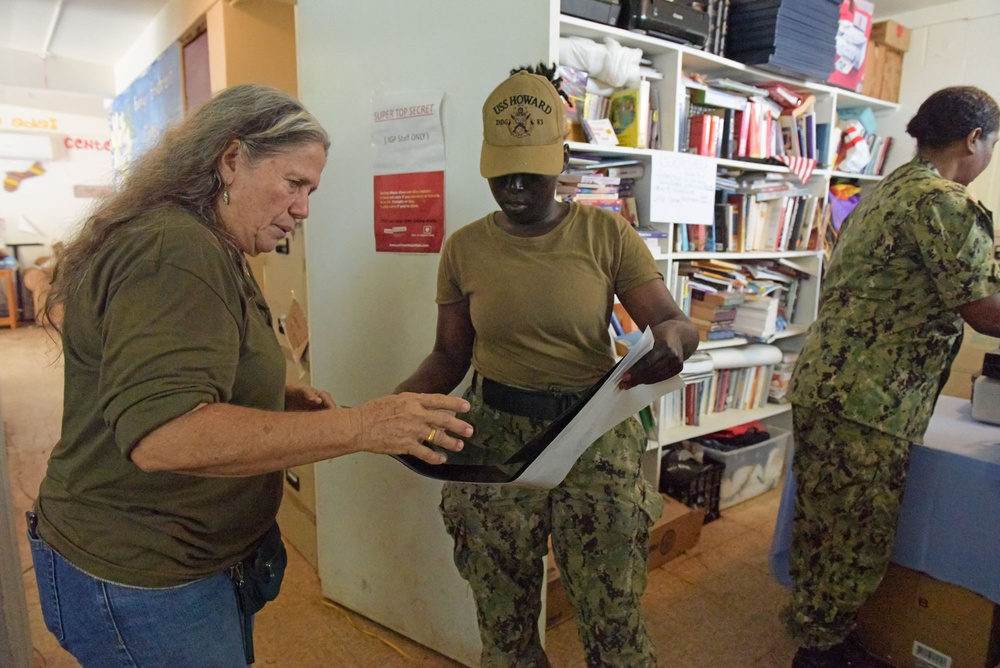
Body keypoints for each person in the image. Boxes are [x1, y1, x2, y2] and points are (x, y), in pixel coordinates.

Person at [28, 83, 473, 668]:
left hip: (189, 561)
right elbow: (163, 435)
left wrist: (264, 393)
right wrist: (361, 427)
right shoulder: (174, 249)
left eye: (311, 190)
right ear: (231, 160)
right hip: (145, 576)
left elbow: (156, 371)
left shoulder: (205, 242)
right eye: (294, 184)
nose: (304, 208)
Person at [395, 65, 699, 667]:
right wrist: (390, 410)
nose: (514, 186)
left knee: (613, 628)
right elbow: (450, 356)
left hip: (591, 433)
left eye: (530, 171)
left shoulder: (605, 236)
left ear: (560, 159)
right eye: (500, 171)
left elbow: (673, 320)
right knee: (504, 630)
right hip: (496, 438)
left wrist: (673, 341)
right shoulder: (464, 248)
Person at [784, 85, 1000, 668]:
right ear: (974, 138)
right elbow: (983, 309)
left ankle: (813, 631)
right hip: (869, 405)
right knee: (855, 540)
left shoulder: (883, 193)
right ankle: (822, 653)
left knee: (821, 525)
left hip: (826, 388)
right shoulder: (945, 203)